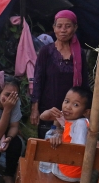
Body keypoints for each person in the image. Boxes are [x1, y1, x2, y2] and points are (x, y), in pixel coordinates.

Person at [30, 10, 89, 139]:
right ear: (54, 28)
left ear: (75, 28)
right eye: (59, 26)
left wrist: (87, 111)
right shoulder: (46, 51)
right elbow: (38, 81)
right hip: (49, 110)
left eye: (68, 26)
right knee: (46, 148)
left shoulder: (79, 54)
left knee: (69, 147)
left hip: (72, 111)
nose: (63, 30)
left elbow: (84, 85)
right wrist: (35, 109)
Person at [40, 86, 92, 182]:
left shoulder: (80, 124)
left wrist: (60, 141)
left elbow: (78, 149)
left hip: (68, 172)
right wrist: (49, 111)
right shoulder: (71, 118)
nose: (68, 107)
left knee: (44, 157)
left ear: (85, 112)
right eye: (66, 101)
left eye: (75, 105)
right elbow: (43, 117)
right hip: (70, 169)